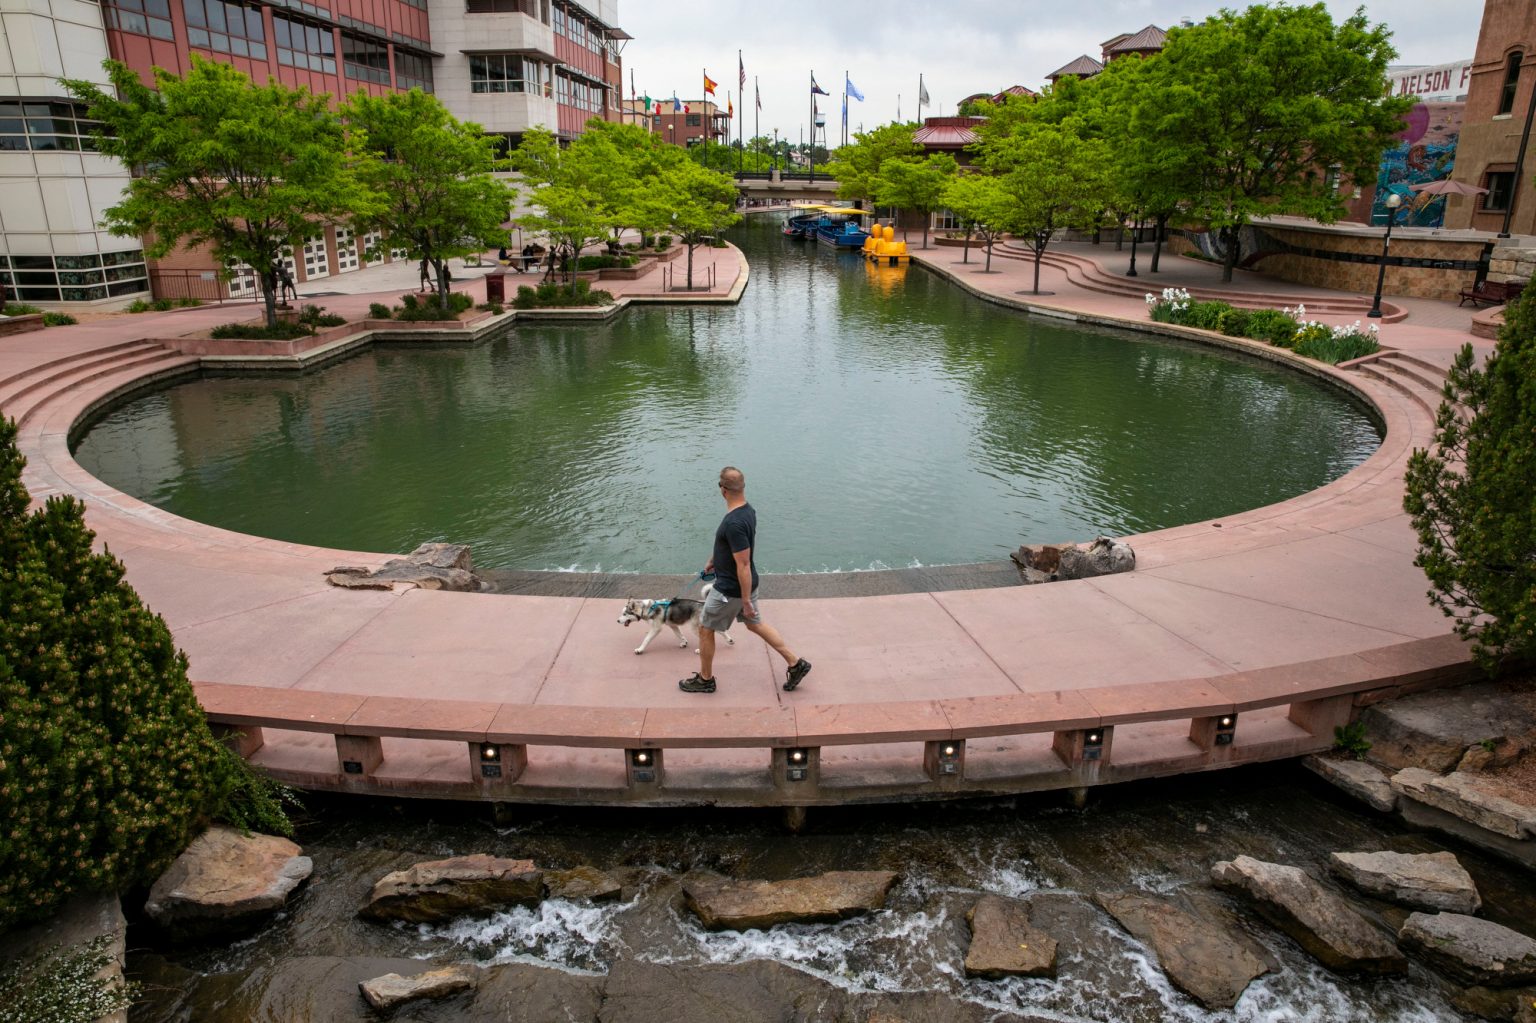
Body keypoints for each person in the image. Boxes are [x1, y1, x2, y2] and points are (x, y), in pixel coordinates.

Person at [680, 466, 811, 695]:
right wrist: (715, 560)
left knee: (704, 628)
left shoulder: (733, 522)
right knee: (754, 624)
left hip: (730, 590)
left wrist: (745, 600)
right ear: (742, 487)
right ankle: (795, 663)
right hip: (743, 587)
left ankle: (705, 679)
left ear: (722, 489)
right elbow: (736, 550)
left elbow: (743, 563)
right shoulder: (747, 511)